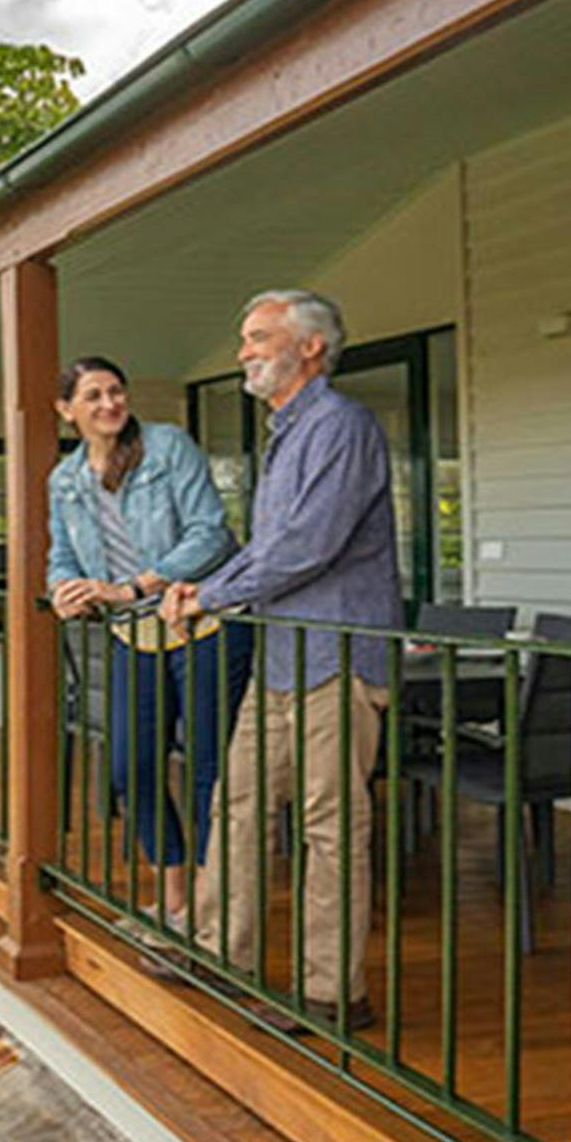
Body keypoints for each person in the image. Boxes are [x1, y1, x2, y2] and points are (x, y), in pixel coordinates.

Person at [161, 290, 399, 1032]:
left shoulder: (341, 427)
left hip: (337, 656)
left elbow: (309, 543)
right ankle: (216, 950)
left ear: (310, 348)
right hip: (284, 656)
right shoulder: (286, 434)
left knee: (329, 828)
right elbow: (271, 548)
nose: (244, 352)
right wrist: (209, 585)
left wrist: (210, 596)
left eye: (259, 338)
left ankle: (332, 994)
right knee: (238, 803)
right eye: (245, 339)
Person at [47, 356, 253, 918]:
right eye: (93, 396)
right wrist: (64, 588)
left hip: (203, 622)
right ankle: (173, 889)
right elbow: (61, 554)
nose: (110, 404)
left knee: (210, 767)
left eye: (116, 391)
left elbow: (211, 533)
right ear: (66, 410)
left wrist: (135, 585)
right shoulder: (64, 481)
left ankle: (210, 907)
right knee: (128, 767)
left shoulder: (167, 447)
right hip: (133, 634)